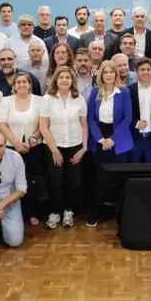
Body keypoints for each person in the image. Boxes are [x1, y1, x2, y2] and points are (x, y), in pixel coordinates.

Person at [38, 67, 88, 229]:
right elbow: (43, 127)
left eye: (68, 77)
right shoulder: (47, 99)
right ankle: (54, 212)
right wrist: (54, 151)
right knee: (55, 181)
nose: (64, 80)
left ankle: (68, 211)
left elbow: (84, 125)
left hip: (75, 145)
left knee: (72, 181)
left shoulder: (79, 99)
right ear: (56, 80)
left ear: (72, 80)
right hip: (53, 146)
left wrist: (84, 147)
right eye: (61, 77)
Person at [86, 62, 133, 226]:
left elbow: (127, 118)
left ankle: (120, 214)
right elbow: (91, 118)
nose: (108, 75)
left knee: (119, 179)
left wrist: (113, 139)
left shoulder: (124, 92)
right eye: (105, 72)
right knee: (99, 179)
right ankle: (98, 213)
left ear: (116, 74)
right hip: (99, 138)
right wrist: (100, 139)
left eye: (111, 72)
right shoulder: (95, 92)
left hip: (119, 139)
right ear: (101, 75)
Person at [0, 72, 45, 227]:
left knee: (32, 181)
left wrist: (30, 142)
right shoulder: (6, 101)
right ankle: (16, 213)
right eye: (18, 82)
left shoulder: (39, 101)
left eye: (24, 81)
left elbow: (43, 124)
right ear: (14, 86)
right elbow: (3, 124)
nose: (21, 84)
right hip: (11, 147)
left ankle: (32, 213)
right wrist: (16, 144)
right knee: (13, 181)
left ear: (30, 85)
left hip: (34, 147)